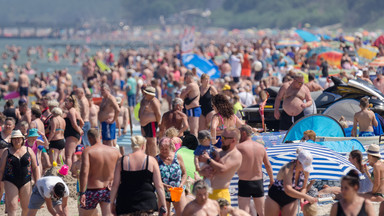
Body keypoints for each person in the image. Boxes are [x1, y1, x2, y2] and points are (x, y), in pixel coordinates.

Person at [110, 135, 167, 215]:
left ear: (132, 146)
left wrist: (111, 203)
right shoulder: (151, 160)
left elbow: (115, 185)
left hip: (125, 204)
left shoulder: (121, 161)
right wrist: (164, 205)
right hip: (147, 203)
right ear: (143, 146)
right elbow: (159, 185)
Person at [79, 128, 121, 216]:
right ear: (100, 136)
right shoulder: (115, 151)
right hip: (109, 190)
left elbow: (84, 172)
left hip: (92, 190)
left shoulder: (88, 151)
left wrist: (82, 192)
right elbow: (123, 168)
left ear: (89, 138)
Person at [265, 149, 317, 216]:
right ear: (298, 162)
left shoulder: (306, 171)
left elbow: (304, 188)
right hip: (275, 196)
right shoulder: (288, 168)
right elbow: (288, 189)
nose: (305, 168)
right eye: (304, 166)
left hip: (291, 198)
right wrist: (307, 197)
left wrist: (302, 199)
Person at [236, 125, 274, 216]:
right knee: (262, 212)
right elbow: (268, 166)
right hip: (258, 182)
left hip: (244, 182)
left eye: (239, 134)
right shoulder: (260, 147)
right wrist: (272, 180)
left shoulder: (239, 147)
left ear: (244, 133)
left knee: (244, 213)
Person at [0, 129, 40, 216]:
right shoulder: (6, 152)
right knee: (12, 206)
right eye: (14, 138)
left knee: (26, 207)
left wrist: (38, 181)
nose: (16, 140)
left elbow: (35, 167)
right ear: (11, 140)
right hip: (10, 180)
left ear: (22, 139)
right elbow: (1, 170)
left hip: (26, 181)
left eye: (18, 138)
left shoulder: (29, 150)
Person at [200, 127, 242, 204]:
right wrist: (202, 172)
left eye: (223, 138)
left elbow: (223, 169)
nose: (221, 139)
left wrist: (209, 160)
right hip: (206, 192)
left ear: (233, 140)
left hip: (219, 194)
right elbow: (202, 169)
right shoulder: (219, 152)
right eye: (220, 136)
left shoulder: (235, 155)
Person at [156, 137, 187, 216]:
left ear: (170, 148)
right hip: (163, 192)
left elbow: (184, 173)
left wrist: (181, 183)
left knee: (182, 213)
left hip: (177, 190)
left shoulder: (178, 157)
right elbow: (154, 178)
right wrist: (164, 185)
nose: (163, 151)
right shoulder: (156, 159)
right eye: (161, 149)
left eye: (166, 149)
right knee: (164, 214)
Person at [139, 86, 161, 157]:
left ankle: (154, 158)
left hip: (151, 123)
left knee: (152, 141)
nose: (144, 94)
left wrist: (158, 123)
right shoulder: (144, 100)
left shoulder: (154, 101)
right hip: (143, 124)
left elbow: (158, 114)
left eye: (146, 93)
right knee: (146, 141)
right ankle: (148, 157)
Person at [64, 95, 84, 168]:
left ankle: (68, 172)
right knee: (73, 154)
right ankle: (73, 171)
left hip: (71, 134)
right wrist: (79, 129)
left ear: (71, 103)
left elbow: (74, 123)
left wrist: (79, 130)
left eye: (67, 101)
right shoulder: (75, 111)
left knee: (68, 155)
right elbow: (82, 122)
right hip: (74, 134)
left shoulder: (71, 111)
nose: (65, 103)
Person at [180, 71, 201, 137]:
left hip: (193, 108)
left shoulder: (191, 85)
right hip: (193, 108)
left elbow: (181, 96)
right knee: (193, 130)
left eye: (185, 78)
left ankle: (194, 146)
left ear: (188, 77)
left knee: (193, 130)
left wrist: (183, 92)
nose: (184, 80)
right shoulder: (195, 84)